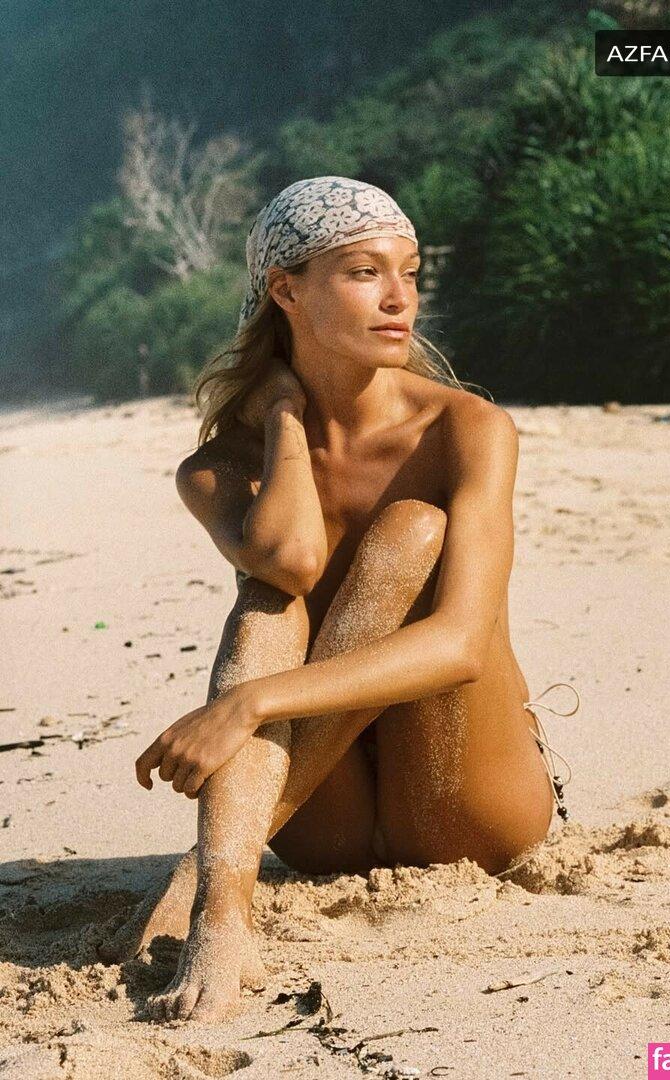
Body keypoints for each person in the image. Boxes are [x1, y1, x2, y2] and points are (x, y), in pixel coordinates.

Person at [99, 176, 565, 1023]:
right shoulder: (218, 470)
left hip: (467, 805)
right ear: (286, 291)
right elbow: (291, 559)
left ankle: (209, 873)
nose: (400, 298)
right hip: (325, 828)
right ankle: (222, 915)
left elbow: (461, 645)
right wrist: (283, 415)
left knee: (413, 531)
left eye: (410, 273)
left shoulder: (467, 429)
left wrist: (249, 703)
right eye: (363, 273)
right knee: (270, 602)